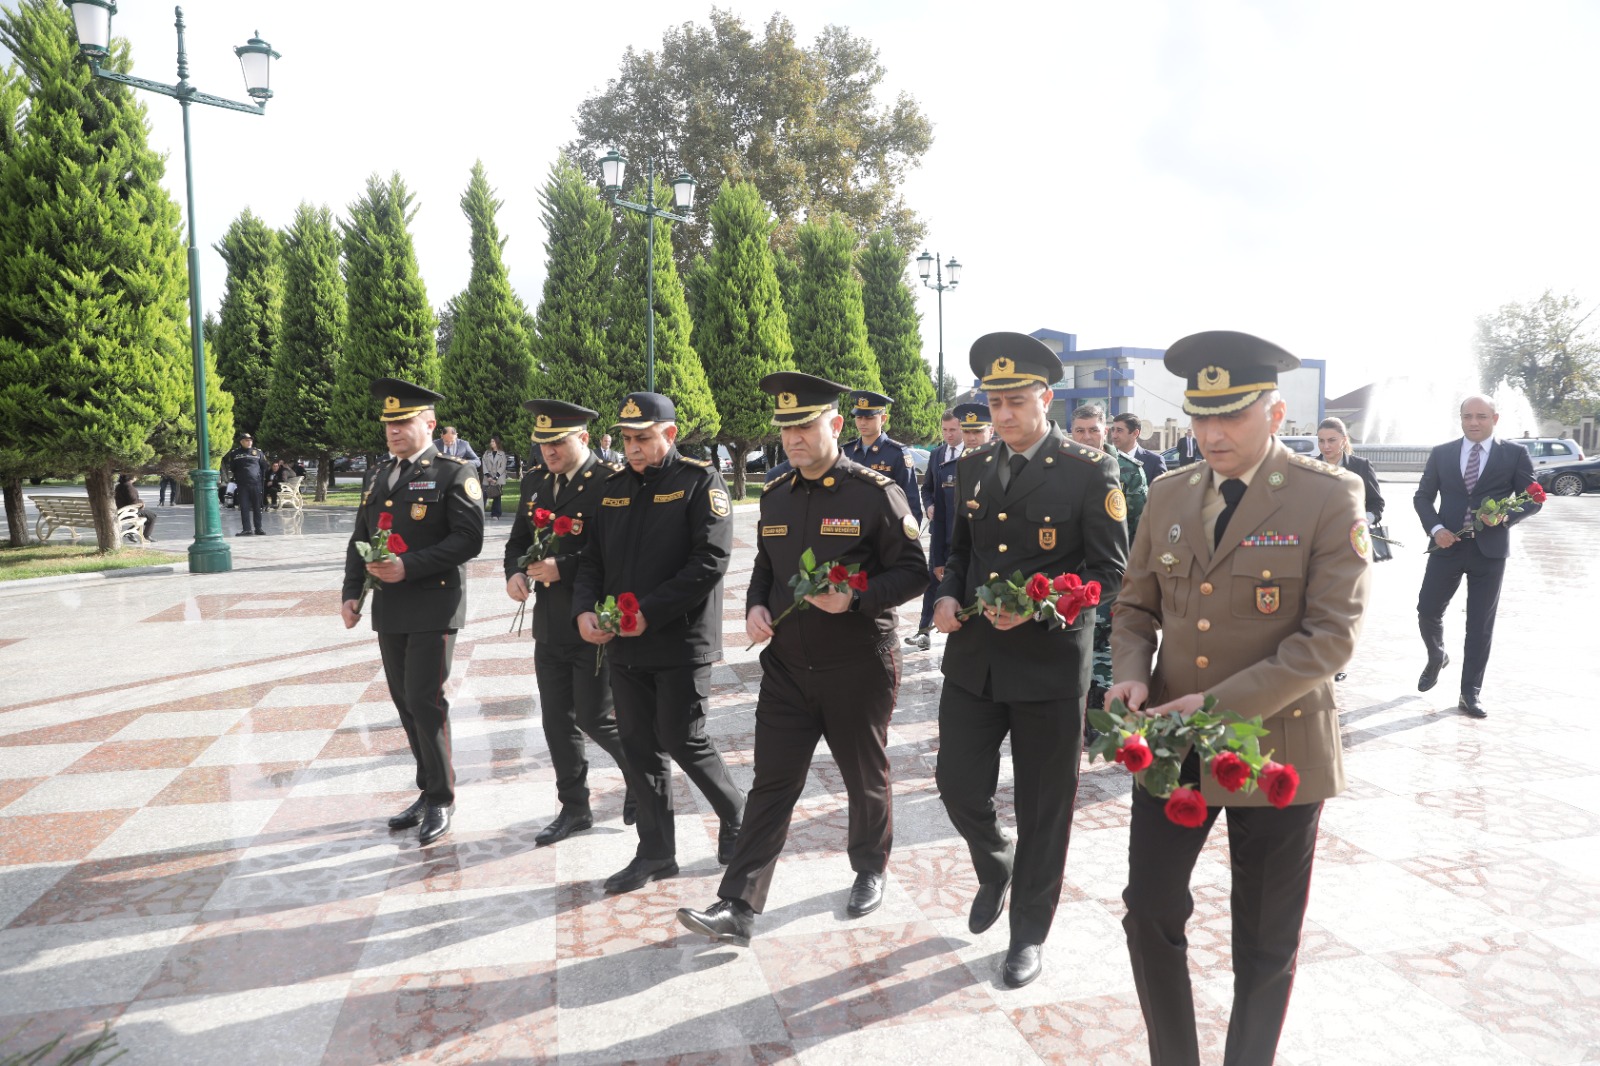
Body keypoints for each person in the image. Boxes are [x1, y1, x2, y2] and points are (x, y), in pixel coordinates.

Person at [1109, 330, 1372, 1066]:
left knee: (1265, 938)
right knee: (1150, 913)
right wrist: (1131, 669)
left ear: (1274, 410)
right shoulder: (1166, 493)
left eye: (1231, 416)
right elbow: (1133, 609)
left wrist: (1216, 708)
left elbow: (1329, 638)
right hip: (1169, 743)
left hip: (1277, 748)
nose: (1211, 434)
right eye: (1200, 416)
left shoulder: (1327, 495)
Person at [676, 372, 928, 946]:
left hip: (858, 666)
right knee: (772, 783)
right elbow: (767, 563)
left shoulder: (874, 493)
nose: (793, 437)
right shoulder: (776, 492)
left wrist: (857, 598)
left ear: (834, 425)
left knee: (864, 776)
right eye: (786, 427)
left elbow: (914, 570)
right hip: (788, 668)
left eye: (805, 425)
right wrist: (756, 606)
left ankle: (869, 866)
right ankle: (737, 904)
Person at [931, 333, 1128, 989]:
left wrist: (1046, 610)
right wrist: (946, 594)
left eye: (1016, 401)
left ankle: (1027, 936)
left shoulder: (1088, 469)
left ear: (1046, 397)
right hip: (976, 661)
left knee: (1046, 810)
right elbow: (957, 551)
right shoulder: (973, 466)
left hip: (1048, 669)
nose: (1004, 414)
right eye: (994, 402)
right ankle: (995, 864)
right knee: (957, 784)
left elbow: (1109, 573)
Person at [574, 392, 747, 894]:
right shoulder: (612, 489)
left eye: (643, 438)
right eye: (627, 439)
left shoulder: (699, 482)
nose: (632, 448)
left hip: (679, 638)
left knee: (682, 737)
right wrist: (585, 609)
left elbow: (710, 561)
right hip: (624, 642)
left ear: (669, 435)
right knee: (640, 746)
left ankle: (737, 814)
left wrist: (649, 612)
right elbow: (592, 560)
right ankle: (655, 851)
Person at [340, 378, 485, 846]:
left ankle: (442, 797)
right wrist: (351, 592)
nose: (393, 431)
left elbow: (469, 540)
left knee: (425, 698)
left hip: (435, 602)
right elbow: (359, 537)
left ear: (429, 423)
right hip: (392, 606)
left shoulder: (453, 472)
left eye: (403, 422)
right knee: (405, 701)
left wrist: (409, 566)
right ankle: (426, 790)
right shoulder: (382, 474)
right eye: (388, 424)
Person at [505, 401, 634, 845]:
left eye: (557, 442)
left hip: (593, 619)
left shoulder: (611, 483)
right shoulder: (536, 483)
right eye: (542, 443)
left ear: (582, 438)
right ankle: (575, 807)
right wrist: (516, 574)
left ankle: (641, 775)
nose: (548, 452)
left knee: (597, 716)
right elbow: (517, 541)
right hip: (550, 622)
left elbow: (618, 554)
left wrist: (566, 566)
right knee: (556, 718)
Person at [1413, 394, 1541, 718]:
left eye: (1481, 416)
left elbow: (1534, 497)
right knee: (1427, 609)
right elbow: (1423, 497)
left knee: (1479, 624)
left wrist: (1506, 517)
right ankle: (1436, 654)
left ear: (1494, 419)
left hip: (1490, 551)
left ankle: (1469, 692)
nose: (1474, 422)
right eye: (1468, 416)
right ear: (1460, 419)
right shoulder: (1442, 454)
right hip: (1447, 546)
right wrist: (1436, 528)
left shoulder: (1513, 454)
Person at [1069, 404, 1146, 735]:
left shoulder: (1126, 471)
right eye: (1079, 431)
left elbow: (1142, 532)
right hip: (1071, 580)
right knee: (1072, 653)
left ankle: (1105, 725)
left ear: (1107, 430)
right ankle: (1075, 721)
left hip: (1114, 581)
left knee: (1107, 655)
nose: (1086, 437)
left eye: (1093, 430)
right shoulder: (1060, 466)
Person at [907, 410, 965, 649]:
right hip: (940, 532)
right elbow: (927, 488)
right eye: (945, 430)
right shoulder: (937, 455)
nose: (948, 435)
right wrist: (930, 506)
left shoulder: (974, 454)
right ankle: (924, 631)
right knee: (933, 580)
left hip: (963, 534)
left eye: (953, 430)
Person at [842, 390, 924, 517]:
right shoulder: (845, 452)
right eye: (858, 417)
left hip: (884, 530)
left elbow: (910, 501)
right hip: (851, 528)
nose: (863, 422)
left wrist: (910, 534)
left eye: (869, 417)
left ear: (883, 419)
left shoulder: (897, 454)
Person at [1316, 417, 1383, 524]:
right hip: (1318, 537)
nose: (1326, 446)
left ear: (1344, 440)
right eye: (1321, 441)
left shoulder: (1362, 466)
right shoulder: (1308, 468)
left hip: (1353, 536)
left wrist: (1363, 521)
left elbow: (1376, 504)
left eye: (1331, 440)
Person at [222, 432, 269, 535]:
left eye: (250, 440)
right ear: (241, 441)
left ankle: (258, 528)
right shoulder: (235, 454)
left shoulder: (258, 452)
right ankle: (247, 529)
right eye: (247, 440)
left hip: (256, 484)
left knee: (257, 507)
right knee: (244, 507)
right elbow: (233, 468)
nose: (249, 442)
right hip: (242, 485)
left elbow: (264, 466)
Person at [1111, 413, 1169, 485]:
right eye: (1113, 430)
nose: (1114, 435)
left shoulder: (1155, 462)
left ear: (1135, 433)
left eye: (1119, 431)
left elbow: (1161, 493)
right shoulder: (1107, 458)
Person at [113, 474, 155, 541]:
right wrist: (142, 503)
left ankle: (131, 532)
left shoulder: (118, 486)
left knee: (147, 516)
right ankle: (146, 535)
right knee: (152, 516)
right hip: (128, 512)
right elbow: (134, 502)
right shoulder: (129, 487)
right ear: (131, 477)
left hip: (119, 511)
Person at [481, 435, 509, 521]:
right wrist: (488, 476)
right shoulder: (487, 453)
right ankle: (480, 513)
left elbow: (503, 466)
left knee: (496, 496)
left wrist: (496, 477)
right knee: (484, 495)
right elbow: (484, 464)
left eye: (493, 441)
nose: (491, 443)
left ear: (497, 443)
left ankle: (496, 514)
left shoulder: (502, 454)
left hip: (498, 478)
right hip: (487, 477)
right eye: (491, 442)